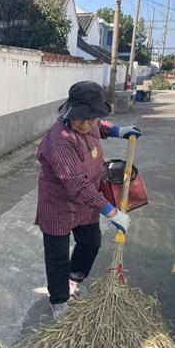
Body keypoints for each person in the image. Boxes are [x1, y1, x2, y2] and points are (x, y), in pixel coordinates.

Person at [35, 81, 141, 318]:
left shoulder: (89, 123)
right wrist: (112, 213)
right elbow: (76, 185)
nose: (87, 124)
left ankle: (73, 281)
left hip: (86, 201)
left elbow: (98, 127)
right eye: (81, 118)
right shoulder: (60, 140)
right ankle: (59, 299)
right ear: (70, 113)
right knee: (57, 255)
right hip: (58, 204)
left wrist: (117, 130)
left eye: (91, 118)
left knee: (91, 242)